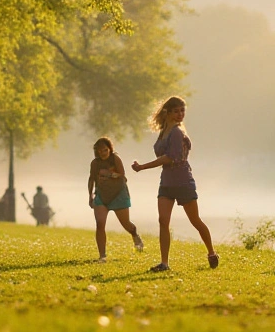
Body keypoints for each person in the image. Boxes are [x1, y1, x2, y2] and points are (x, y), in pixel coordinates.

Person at [131, 96, 219, 272]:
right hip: (167, 183)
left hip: (183, 182)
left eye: (182, 111)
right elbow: (162, 156)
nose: (180, 114)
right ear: (168, 113)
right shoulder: (164, 131)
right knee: (163, 221)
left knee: (195, 220)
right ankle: (164, 263)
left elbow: (170, 157)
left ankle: (211, 252)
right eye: (176, 111)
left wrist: (143, 167)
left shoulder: (178, 133)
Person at [88, 137, 145, 262]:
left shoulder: (115, 158)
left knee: (126, 224)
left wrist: (110, 174)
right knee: (100, 224)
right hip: (101, 195)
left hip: (118, 194)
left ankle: (135, 235)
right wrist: (90, 196)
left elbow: (123, 175)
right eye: (99, 151)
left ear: (110, 149)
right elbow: (91, 179)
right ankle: (102, 256)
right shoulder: (95, 163)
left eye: (105, 150)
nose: (102, 153)